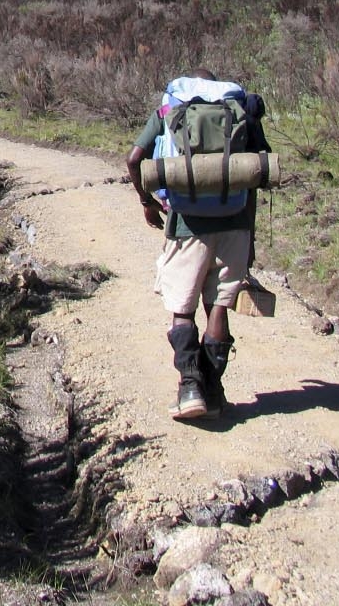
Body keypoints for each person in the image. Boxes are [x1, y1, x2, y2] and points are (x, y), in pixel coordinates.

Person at [125, 69, 270, 422]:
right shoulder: (242, 111)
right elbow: (257, 174)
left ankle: (190, 387)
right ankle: (215, 392)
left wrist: (147, 201)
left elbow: (133, 159)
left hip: (187, 224)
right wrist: (249, 241)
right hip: (235, 223)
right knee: (217, 308)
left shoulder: (170, 110)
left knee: (182, 308)